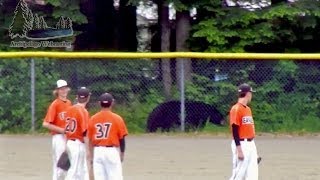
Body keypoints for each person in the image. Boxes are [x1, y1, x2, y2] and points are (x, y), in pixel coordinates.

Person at [88, 93, 128, 180]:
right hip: (111, 152)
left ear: (99, 103)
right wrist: (122, 154)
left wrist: (91, 156)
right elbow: (122, 139)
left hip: (98, 151)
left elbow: (90, 140)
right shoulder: (117, 118)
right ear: (112, 102)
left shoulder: (93, 118)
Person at [43, 79, 72, 180]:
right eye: (61, 89)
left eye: (65, 88)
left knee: (67, 164)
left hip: (68, 137)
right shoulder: (55, 104)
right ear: (57, 91)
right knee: (60, 165)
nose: (64, 91)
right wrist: (62, 130)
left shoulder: (69, 103)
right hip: (58, 138)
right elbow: (46, 124)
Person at [229, 83, 259, 180]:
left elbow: (248, 129)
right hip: (241, 144)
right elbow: (234, 130)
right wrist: (239, 150)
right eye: (251, 93)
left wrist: (254, 152)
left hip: (250, 144)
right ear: (248, 94)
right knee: (238, 174)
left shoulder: (248, 109)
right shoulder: (236, 109)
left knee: (252, 175)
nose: (251, 95)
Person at [64, 87, 91, 180]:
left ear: (77, 97)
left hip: (69, 142)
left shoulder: (69, 109)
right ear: (88, 98)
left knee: (80, 170)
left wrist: (65, 144)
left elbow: (66, 130)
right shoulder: (83, 111)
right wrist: (88, 150)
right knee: (74, 170)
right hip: (78, 144)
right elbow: (85, 132)